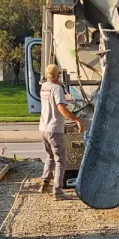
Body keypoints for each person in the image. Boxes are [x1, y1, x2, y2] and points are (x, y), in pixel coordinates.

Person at [38, 64, 84, 200]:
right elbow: (61, 108)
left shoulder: (44, 87)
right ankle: (57, 192)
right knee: (60, 161)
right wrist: (76, 120)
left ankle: (44, 183)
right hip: (54, 129)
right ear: (58, 75)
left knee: (50, 156)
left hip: (43, 128)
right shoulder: (57, 89)